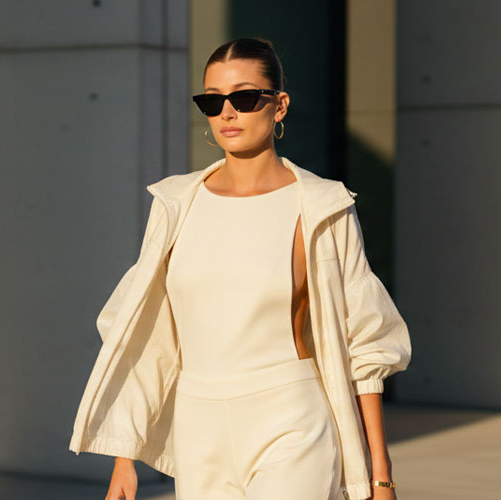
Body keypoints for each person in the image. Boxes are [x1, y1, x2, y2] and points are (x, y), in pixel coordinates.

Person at [69, 37, 411, 500]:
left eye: (245, 97)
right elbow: (144, 335)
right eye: (212, 101)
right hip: (199, 426)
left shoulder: (322, 205)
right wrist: (123, 460)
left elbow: (364, 341)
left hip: (291, 416)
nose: (227, 113)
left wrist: (380, 474)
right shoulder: (176, 204)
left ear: (279, 105)